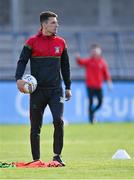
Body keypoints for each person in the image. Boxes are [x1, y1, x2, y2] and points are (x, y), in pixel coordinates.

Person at [15, 11, 72, 166]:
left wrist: (68, 86)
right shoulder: (32, 42)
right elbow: (22, 61)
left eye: (56, 22)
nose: (56, 25)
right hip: (37, 91)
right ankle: (36, 159)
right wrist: (18, 79)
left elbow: (65, 66)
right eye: (53, 22)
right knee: (35, 125)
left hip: (56, 90)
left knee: (58, 121)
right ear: (44, 24)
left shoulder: (61, 42)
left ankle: (57, 156)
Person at [76, 44, 112, 124]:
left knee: (100, 103)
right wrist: (77, 58)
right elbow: (80, 62)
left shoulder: (102, 62)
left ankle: (92, 112)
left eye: (96, 51)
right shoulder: (89, 61)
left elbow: (106, 74)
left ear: (99, 52)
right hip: (90, 86)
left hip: (99, 86)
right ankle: (91, 119)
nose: (95, 53)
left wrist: (109, 83)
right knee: (91, 102)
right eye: (93, 51)